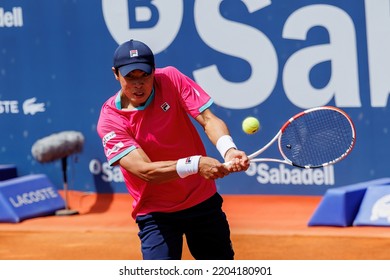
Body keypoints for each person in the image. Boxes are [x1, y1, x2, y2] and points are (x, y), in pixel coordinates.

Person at [97, 39, 250, 260]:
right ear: (116, 74)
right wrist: (196, 164)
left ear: (154, 71)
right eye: (130, 77)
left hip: (201, 200)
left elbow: (208, 119)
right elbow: (144, 171)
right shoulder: (111, 119)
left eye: (145, 76)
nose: (138, 84)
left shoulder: (170, 78)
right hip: (156, 213)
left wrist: (228, 150)